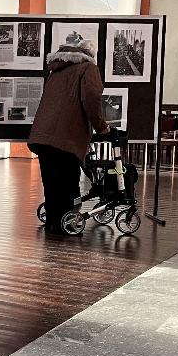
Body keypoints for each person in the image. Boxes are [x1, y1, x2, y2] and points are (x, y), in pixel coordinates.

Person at [28, 34, 109, 235]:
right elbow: (91, 98)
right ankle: (66, 224)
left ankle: (54, 223)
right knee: (67, 182)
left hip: (43, 135)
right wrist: (101, 127)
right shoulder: (88, 68)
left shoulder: (56, 70)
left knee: (51, 182)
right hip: (67, 136)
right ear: (90, 53)